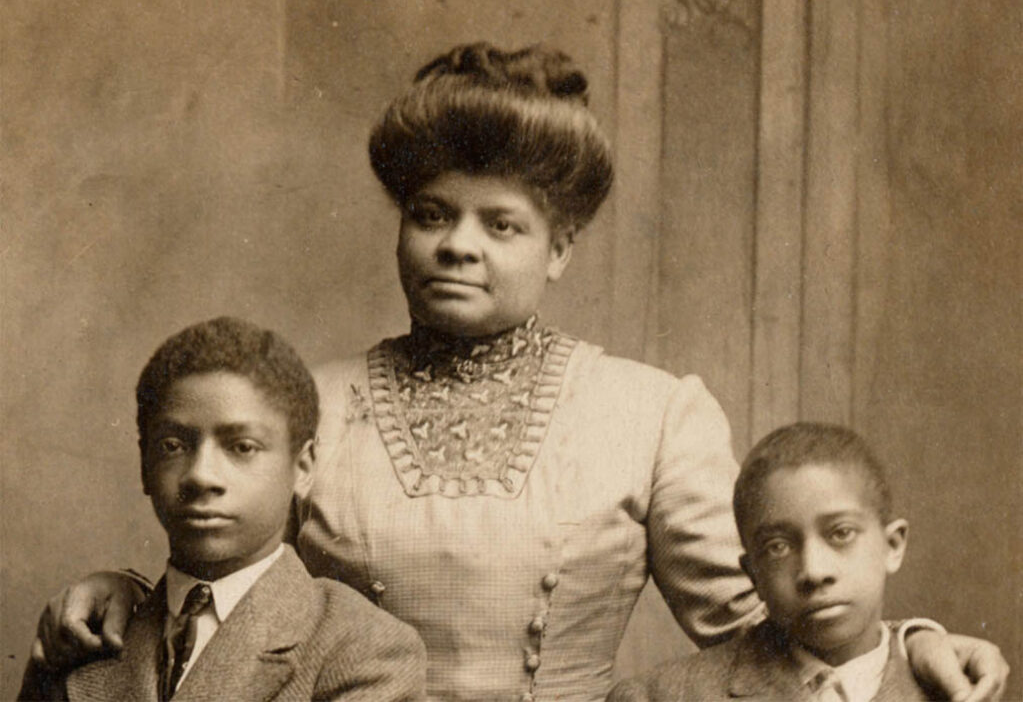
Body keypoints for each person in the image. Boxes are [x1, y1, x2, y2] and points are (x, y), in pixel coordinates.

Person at [30, 44, 1008, 701]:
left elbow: (778, 624)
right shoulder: (309, 403)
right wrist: (114, 586)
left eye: (502, 224)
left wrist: (909, 642)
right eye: (431, 214)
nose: (459, 246)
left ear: (560, 248)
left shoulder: (650, 413)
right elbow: (213, 572)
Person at [20, 317, 427, 701]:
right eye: (173, 446)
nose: (201, 476)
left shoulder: (362, 649)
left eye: (241, 448)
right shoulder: (86, 632)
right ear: (144, 465)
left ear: (302, 468)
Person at [608, 422, 946, 701]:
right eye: (777, 547)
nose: (814, 571)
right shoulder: (658, 698)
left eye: (841, 533)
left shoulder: (959, 689)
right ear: (752, 575)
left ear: (893, 545)